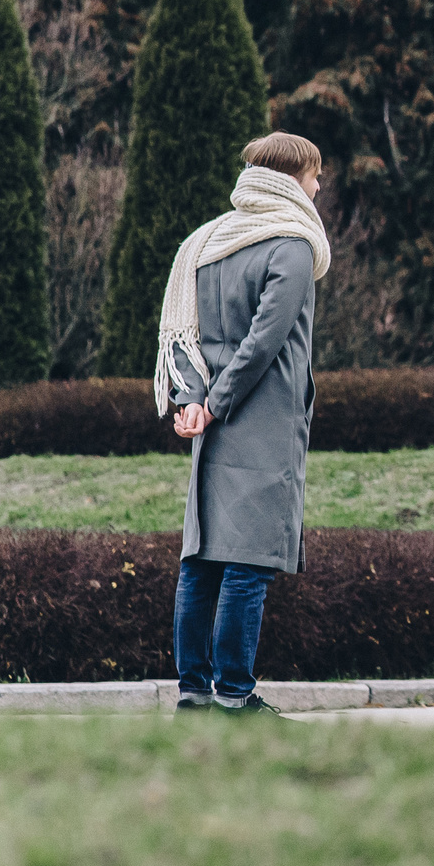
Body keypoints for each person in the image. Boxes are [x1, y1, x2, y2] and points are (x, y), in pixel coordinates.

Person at [157, 131, 331, 718]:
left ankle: (193, 694)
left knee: (203, 559)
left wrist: (191, 400)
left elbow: (184, 338)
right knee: (247, 564)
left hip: (212, 423)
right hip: (262, 420)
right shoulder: (292, 247)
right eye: (314, 175)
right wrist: (216, 402)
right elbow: (263, 343)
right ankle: (234, 694)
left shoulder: (205, 242)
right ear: (292, 179)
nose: (318, 186)